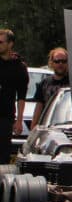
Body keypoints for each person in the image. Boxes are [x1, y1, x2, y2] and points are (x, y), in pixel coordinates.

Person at [0, 29, 28, 163]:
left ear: (10, 44)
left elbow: (21, 95)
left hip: (6, 116)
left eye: (1, 42)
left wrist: (19, 120)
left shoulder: (19, 67)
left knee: (4, 153)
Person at [30, 47, 70, 129]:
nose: (60, 64)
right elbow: (39, 107)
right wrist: (33, 127)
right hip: (48, 126)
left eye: (63, 61)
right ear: (51, 63)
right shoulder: (44, 84)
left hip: (68, 124)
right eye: (57, 61)